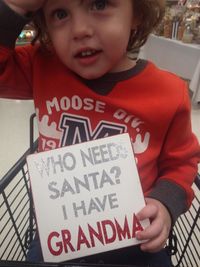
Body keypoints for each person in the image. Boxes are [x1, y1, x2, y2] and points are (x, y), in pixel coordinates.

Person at [0, 0, 199, 266]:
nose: (80, 29)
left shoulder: (168, 93)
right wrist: (14, 6)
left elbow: (181, 163)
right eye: (60, 14)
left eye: (99, 4)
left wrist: (164, 203)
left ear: (137, 14)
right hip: (60, 235)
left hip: (137, 237)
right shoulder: (41, 66)